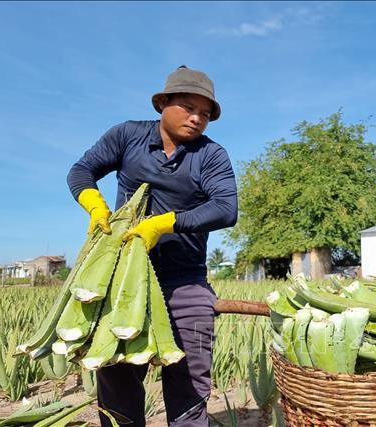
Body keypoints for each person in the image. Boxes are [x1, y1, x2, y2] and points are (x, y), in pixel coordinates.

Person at [67, 65, 238, 426]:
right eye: (188, 107)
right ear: (163, 103)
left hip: (184, 281)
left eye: (205, 114)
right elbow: (81, 170)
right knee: (117, 384)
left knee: (190, 385)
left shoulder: (211, 155)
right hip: (122, 282)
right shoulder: (127, 136)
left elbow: (226, 209)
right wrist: (95, 205)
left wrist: (166, 223)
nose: (196, 119)